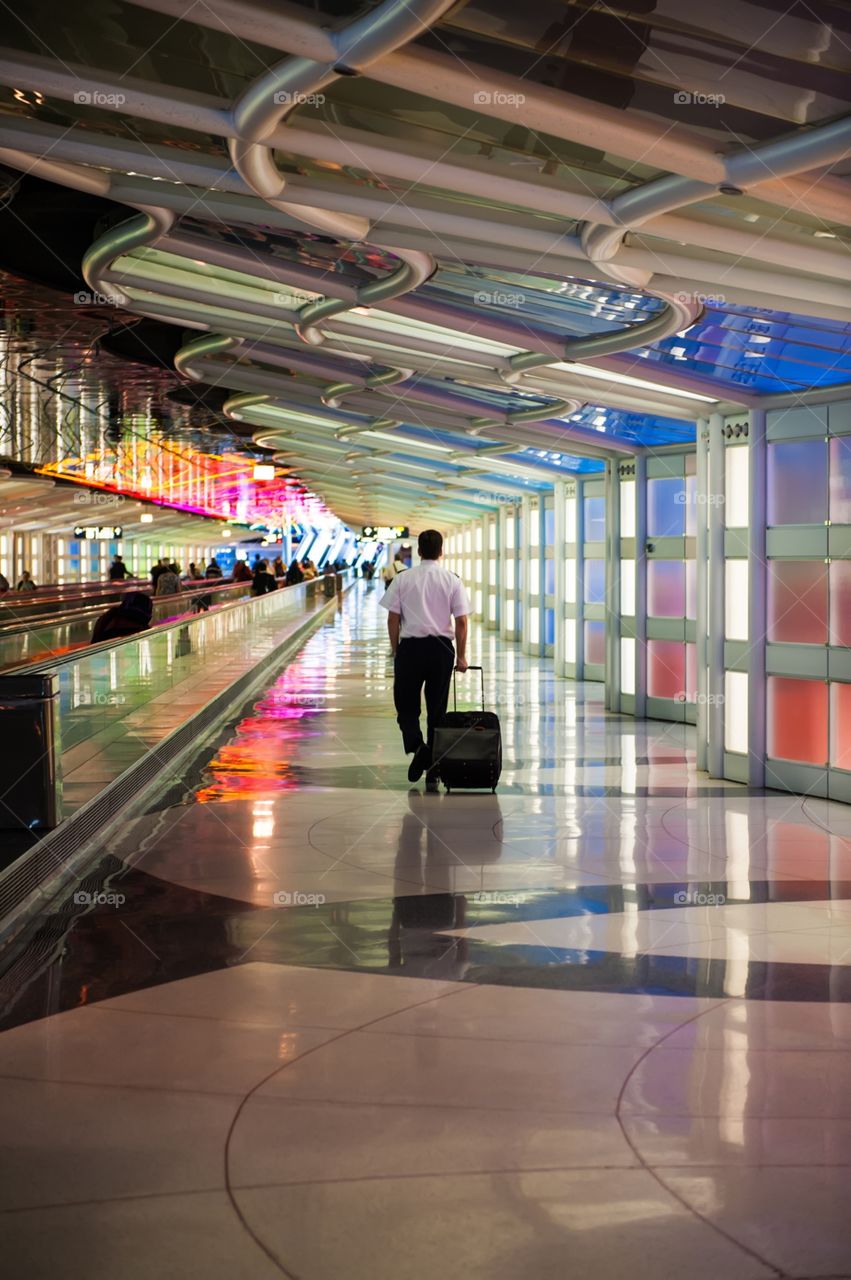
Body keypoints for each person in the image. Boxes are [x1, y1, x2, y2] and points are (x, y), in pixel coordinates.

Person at [381, 529, 471, 794]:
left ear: (418, 551)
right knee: (437, 710)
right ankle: (433, 767)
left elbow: (392, 619)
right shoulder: (452, 580)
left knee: (406, 707)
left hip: (410, 648)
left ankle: (418, 748)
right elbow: (462, 621)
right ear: (441, 551)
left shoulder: (402, 579)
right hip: (442, 649)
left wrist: (397, 651)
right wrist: (462, 656)